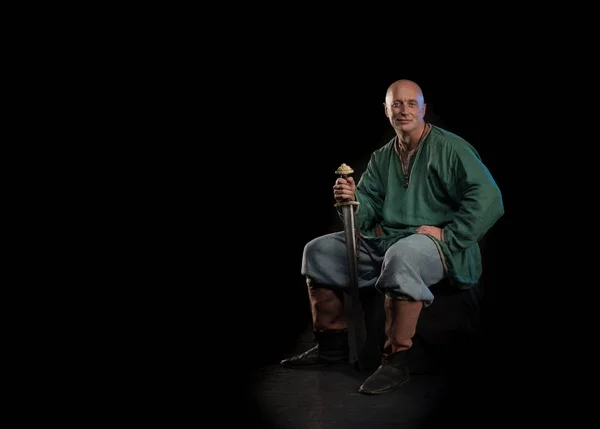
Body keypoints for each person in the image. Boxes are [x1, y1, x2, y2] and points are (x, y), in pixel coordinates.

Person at [280, 78, 504, 395]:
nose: (404, 110)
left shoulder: (452, 149)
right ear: (386, 110)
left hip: (436, 245)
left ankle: (395, 362)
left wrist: (451, 234)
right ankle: (331, 347)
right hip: (386, 240)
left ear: (423, 109)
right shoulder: (383, 156)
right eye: (396, 103)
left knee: (402, 256)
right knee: (318, 251)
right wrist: (354, 198)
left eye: (411, 103)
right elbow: (369, 206)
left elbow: (489, 198)